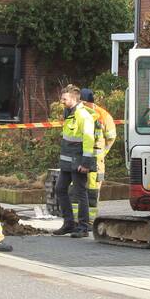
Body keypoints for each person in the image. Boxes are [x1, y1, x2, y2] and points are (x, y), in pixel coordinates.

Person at [54, 84, 96, 238]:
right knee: (60, 189)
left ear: (72, 99)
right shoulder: (69, 113)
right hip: (68, 161)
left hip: (78, 162)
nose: (61, 101)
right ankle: (69, 224)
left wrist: (86, 163)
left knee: (80, 193)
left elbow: (88, 140)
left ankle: (83, 227)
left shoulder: (83, 116)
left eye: (64, 98)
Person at [79, 87, 117, 223]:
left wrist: (102, 154)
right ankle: (80, 219)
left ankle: (90, 219)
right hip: (81, 158)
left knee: (93, 189)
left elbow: (111, 137)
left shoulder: (103, 115)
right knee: (78, 189)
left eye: (82, 103)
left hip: (96, 161)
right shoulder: (79, 113)